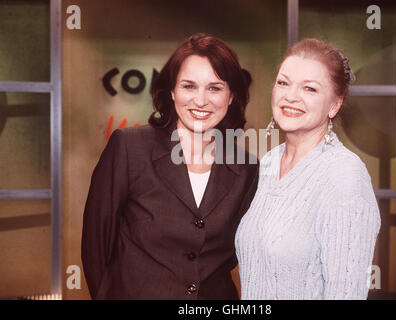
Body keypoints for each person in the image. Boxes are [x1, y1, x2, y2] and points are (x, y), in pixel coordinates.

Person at [82, 33, 258, 299]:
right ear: (172, 91)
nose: (200, 100)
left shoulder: (247, 168)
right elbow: (96, 246)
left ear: (231, 96)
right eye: (189, 86)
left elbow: (238, 253)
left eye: (215, 88)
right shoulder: (129, 148)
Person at [235, 38, 380, 300]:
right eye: (283, 83)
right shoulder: (268, 163)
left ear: (334, 105)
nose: (291, 96)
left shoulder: (344, 175)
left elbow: (345, 294)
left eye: (310, 89)